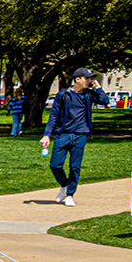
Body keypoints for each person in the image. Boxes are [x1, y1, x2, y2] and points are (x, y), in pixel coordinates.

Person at [41, 68, 111, 206]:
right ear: (77, 79)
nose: (90, 81)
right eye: (87, 78)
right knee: (55, 165)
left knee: (75, 166)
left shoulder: (89, 95)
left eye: (91, 78)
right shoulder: (64, 95)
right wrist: (47, 134)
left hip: (81, 134)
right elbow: (54, 115)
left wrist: (98, 88)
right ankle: (65, 184)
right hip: (63, 134)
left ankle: (70, 194)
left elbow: (105, 100)